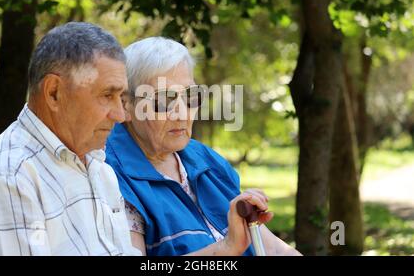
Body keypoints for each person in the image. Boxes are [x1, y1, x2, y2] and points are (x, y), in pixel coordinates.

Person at [105, 37, 301, 256]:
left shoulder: (206, 160)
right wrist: (225, 249)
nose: (182, 113)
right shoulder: (109, 176)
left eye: (190, 96)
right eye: (164, 100)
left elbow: (274, 249)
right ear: (126, 106)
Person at [0, 22, 140, 256]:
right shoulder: (7, 177)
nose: (120, 114)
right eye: (107, 95)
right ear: (54, 93)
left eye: (121, 97)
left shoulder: (98, 166)